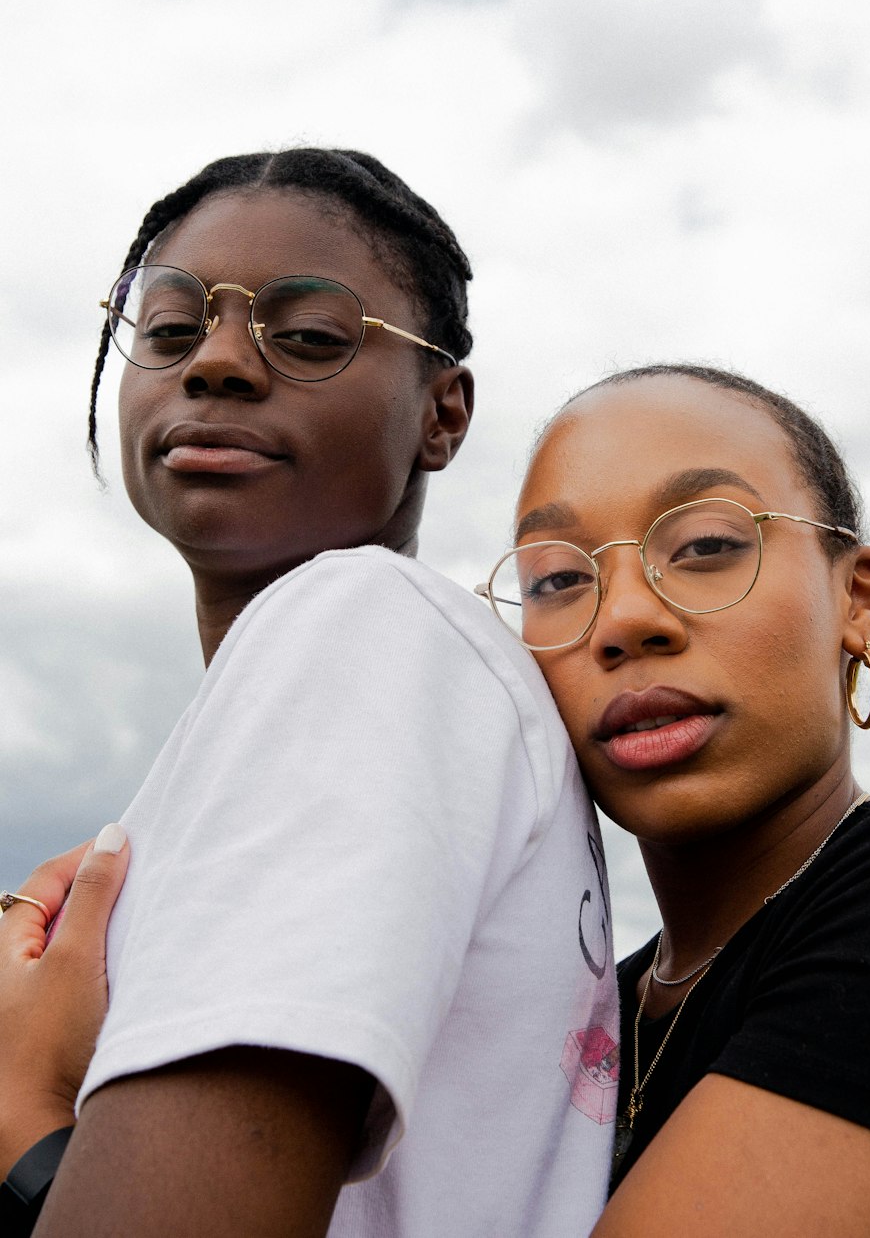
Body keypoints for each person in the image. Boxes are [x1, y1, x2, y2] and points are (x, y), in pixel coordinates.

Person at [0, 148, 617, 1238]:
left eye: (311, 336)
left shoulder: (365, 625)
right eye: (170, 328)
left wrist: (22, 1122)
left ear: (442, 412)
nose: (219, 364)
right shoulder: (304, 706)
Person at [475, 363, 870, 1236]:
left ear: (859, 601)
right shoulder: (585, 1012)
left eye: (707, 547)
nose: (623, 620)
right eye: (558, 580)